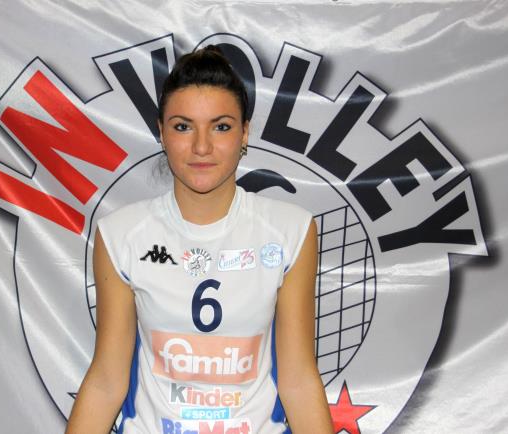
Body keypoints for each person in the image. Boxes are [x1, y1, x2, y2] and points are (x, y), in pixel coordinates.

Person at [66, 45, 334, 434]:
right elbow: (107, 380)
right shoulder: (121, 234)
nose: (202, 146)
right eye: (183, 126)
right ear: (161, 132)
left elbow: (299, 381)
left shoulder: (291, 230)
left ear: (245, 133)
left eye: (221, 126)